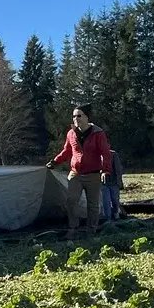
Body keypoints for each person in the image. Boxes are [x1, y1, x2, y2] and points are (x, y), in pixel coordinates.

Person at [46, 103, 112, 240]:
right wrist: (55, 161)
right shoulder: (71, 133)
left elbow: (105, 153)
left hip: (93, 174)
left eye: (79, 115)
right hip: (75, 173)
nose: (76, 118)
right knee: (71, 200)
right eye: (74, 116)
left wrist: (105, 170)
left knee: (93, 204)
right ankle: (72, 229)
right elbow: (67, 151)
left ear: (87, 117)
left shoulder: (98, 134)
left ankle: (91, 230)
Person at [101, 148, 125, 221]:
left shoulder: (113, 154)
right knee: (106, 201)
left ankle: (116, 214)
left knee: (115, 200)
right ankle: (108, 218)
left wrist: (119, 182)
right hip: (103, 183)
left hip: (113, 182)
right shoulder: (96, 155)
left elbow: (118, 169)